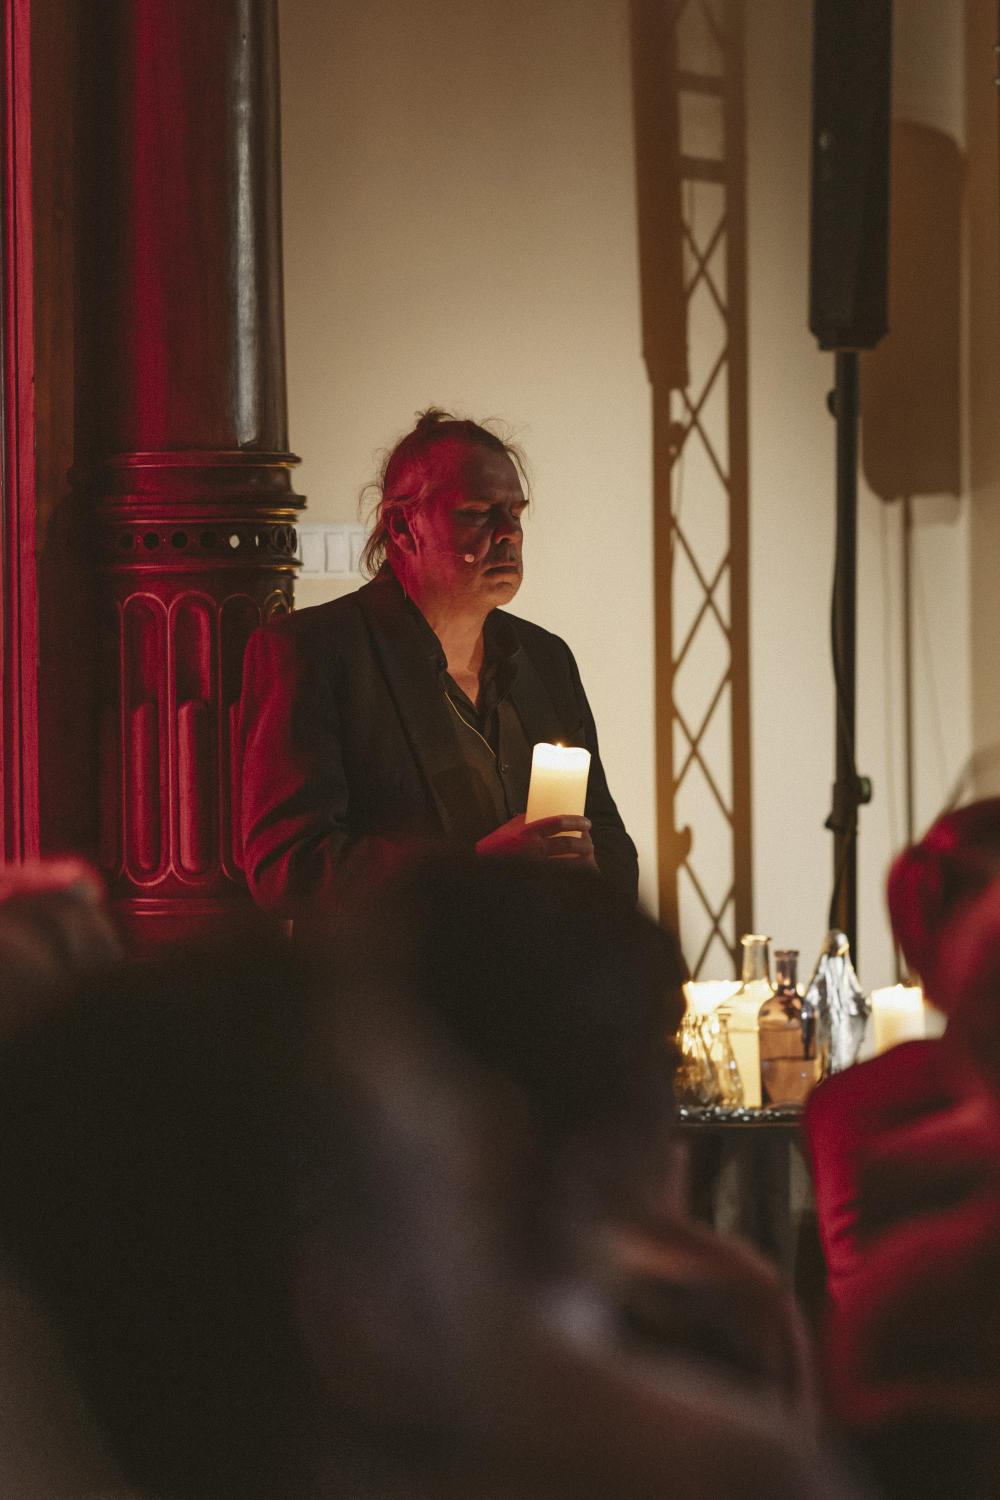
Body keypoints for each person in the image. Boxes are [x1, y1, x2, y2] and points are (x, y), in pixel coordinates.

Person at [238, 409, 638, 919]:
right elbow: (289, 867)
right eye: (477, 512)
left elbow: (608, 837)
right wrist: (473, 869)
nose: (509, 533)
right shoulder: (314, 651)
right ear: (402, 526)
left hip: (537, 964)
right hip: (400, 969)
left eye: (515, 512)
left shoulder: (547, 657)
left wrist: (589, 872)